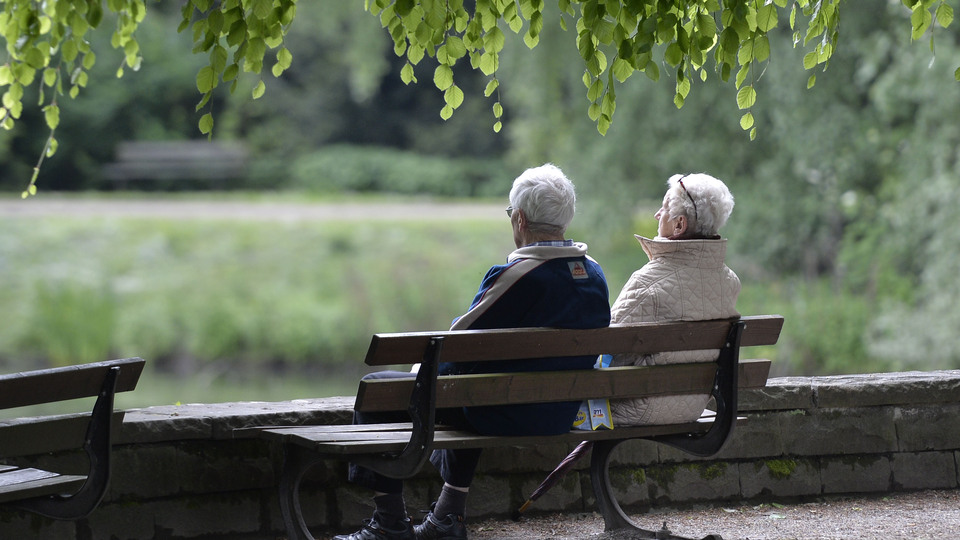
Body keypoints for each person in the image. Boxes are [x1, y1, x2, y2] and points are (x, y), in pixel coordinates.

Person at [334, 163, 611, 540]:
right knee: (472, 386)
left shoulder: (518, 276)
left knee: (382, 387)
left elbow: (456, 343)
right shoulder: (594, 276)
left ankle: (389, 523)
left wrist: (420, 375)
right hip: (559, 414)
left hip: (505, 412)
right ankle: (448, 517)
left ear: (521, 220)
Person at [608, 173, 740, 426]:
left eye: (665, 207)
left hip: (637, 408)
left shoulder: (649, 281)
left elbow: (608, 350)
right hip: (691, 408)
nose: (658, 214)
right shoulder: (730, 282)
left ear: (679, 225)